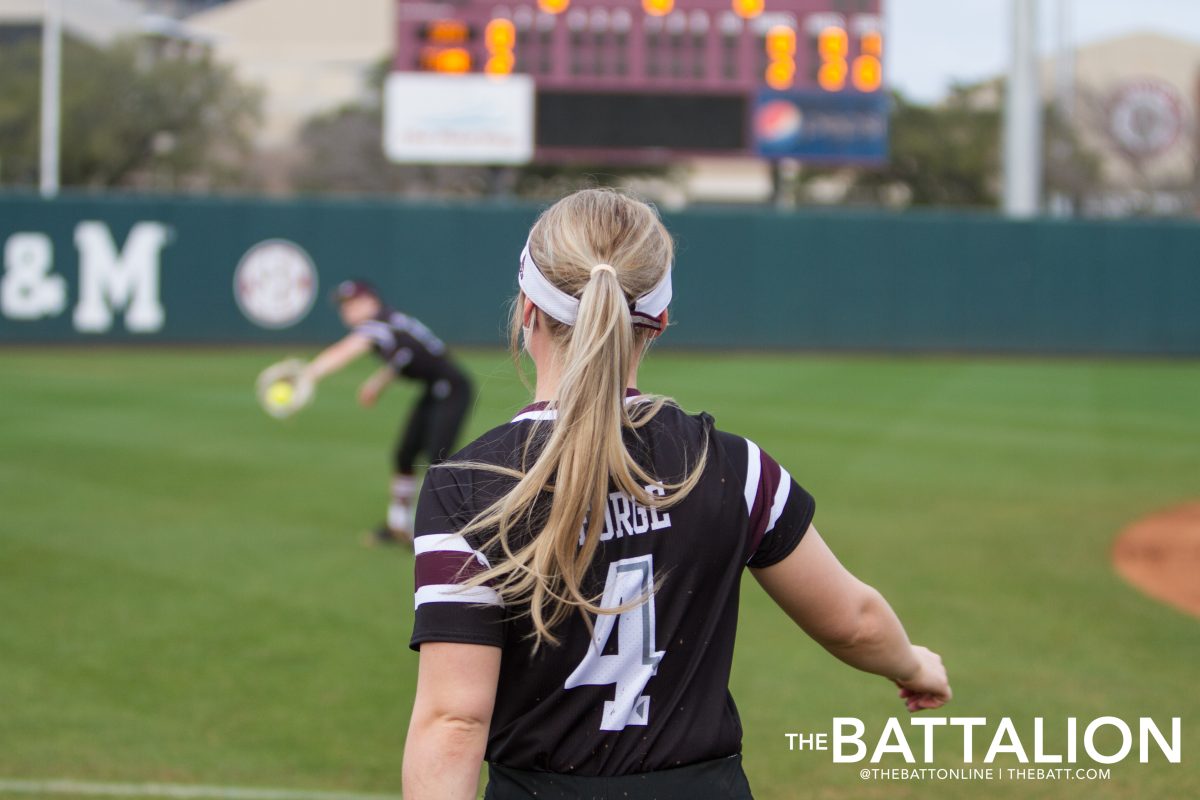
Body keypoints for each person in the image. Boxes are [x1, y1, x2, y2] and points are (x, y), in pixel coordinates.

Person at [403, 189, 950, 799]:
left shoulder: (467, 488)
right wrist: (914, 665)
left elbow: (454, 720)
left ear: (527, 309)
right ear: (659, 320)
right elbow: (854, 620)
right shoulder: (732, 467)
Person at [301, 280, 472, 544]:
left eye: (352, 303)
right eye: (343, 306)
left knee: (439, 462)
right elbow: (406, 354)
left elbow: (347, 350)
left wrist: (309, 374)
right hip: (433, 389)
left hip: (452, 389)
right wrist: (379, 382)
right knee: (404, 455)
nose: (346, 311)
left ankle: (450, 531)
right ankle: (398, 524)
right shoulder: (391, 322)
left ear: (371, 301)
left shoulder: (378, 324)